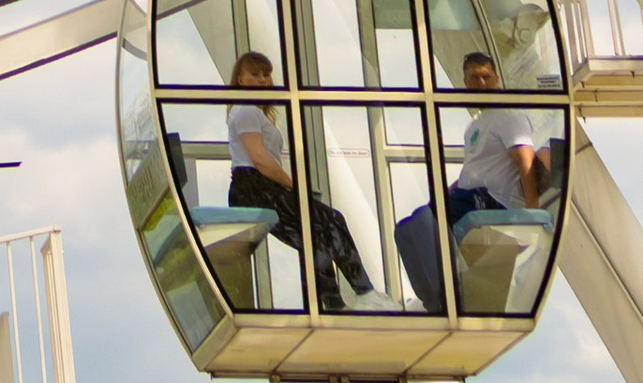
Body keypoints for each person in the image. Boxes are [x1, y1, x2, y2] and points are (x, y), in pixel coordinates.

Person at [221, 49, 375, 305]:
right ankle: (363, 294)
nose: (262, 80)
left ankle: (334, 302)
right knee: (331, 221)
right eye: (255, 74)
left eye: (266, 75)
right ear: (239, 79)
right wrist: (292, 185)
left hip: (258, 186)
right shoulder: (246, 110)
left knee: (318, 234)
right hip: (256, 187)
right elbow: (259, 160)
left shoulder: (252, 112)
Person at [395, 50, 544, 308]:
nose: (482, 83)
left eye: (486, 76)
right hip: (470, 195)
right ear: (465, 83)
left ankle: (446, 297)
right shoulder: (476, 124)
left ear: (496, 78)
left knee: (424, 220)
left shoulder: (508, 115)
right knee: (405, 230)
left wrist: (532, 209)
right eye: (474, 78)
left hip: (493, 200)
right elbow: (481, 166)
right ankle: (429, 299)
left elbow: (525, 158)